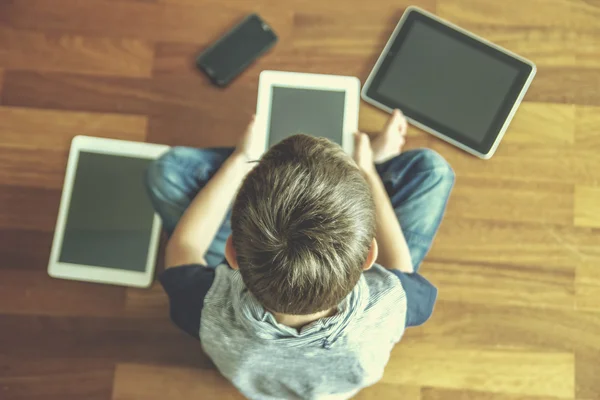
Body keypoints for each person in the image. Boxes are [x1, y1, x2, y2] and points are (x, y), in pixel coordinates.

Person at [145, 110, 454, 400]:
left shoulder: (205, 306)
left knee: (167, 170)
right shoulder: (389, 302)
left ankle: (266, 169)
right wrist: (368, 171)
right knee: (432, 170)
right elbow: (403, 271)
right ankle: (373, 165)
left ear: (232, 254)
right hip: (332, 379)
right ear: (370, 255)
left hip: (256, 365)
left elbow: (183, 247)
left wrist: (241, 159)